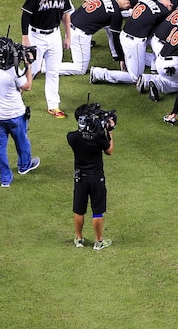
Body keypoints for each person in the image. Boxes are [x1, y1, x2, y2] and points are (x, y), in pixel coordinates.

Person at [0, 37, 40, 187]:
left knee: (0, 148)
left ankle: (5, 180)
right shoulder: (13, 71)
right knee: (22, 142)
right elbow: (27, 86)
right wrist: (29, 66)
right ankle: (24, 166)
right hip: (15, 115)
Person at [21, 0, 72, 118]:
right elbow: (25, 17)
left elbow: (65, 14)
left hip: (54, 35)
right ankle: (15, 93)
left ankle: (53, 105)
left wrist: (68, 36)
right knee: (32, 69)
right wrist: (25, 38)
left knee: (53, 71)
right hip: (36, 36)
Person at [68, 103, 116, 251]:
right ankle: (98, 241)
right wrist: (109, 135)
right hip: (96, 178)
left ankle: (79, 238)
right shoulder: (98, 139)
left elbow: (81, 134)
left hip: (80, 178)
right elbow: (109, 151)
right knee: (97, 211)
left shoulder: (72, 137)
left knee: (79, 209)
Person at [59, 0, 137, 76]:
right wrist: (121, 58)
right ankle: (45, 67)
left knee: (107, 24)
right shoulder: (115, 15)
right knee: (80, 68)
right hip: (79, 34)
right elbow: (116, 39)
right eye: (129, 8)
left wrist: (116, 55)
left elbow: (106, 11)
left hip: (69, 25)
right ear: (127, 3)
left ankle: (114, 54)